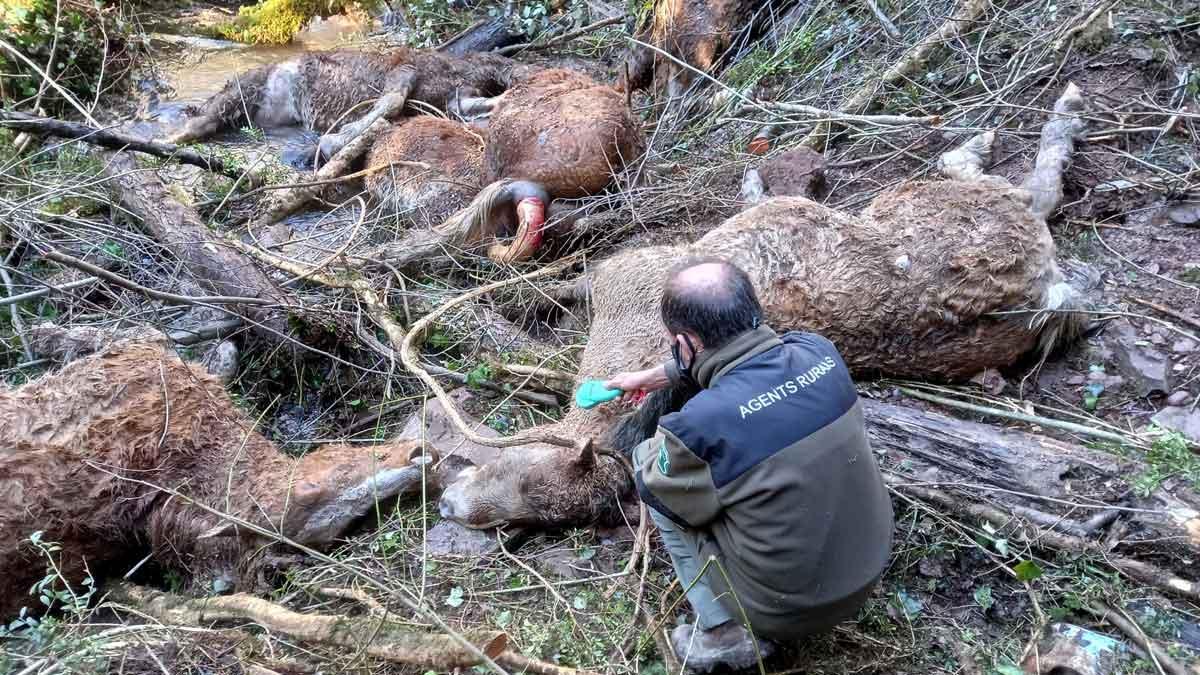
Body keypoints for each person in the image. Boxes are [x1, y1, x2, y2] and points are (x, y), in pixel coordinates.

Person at [603, 257, 894, 672]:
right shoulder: (819, 353)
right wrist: (651, 377)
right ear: (752, 309)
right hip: (867, 572)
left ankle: (721, 633)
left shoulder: (700, 426)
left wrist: (656, 451)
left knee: (655, 480)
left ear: (685, 342)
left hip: (787, 609)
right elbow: (737, 354)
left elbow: (658, 479)